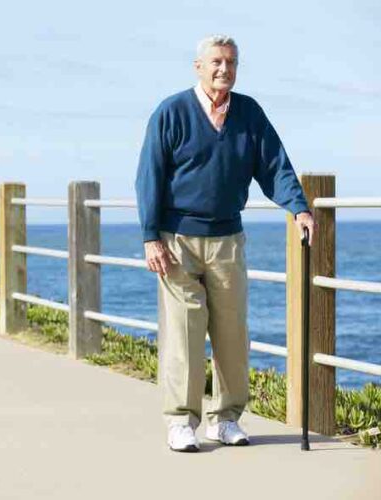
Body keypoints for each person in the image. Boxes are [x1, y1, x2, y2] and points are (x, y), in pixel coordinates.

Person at [135, 35, 317, 452]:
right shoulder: (172, 112)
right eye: (216, 62)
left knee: (233, 332)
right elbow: (149, 176)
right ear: (198, 66)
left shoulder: (249, 113)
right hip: (176, 239)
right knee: (184, 330)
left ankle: (225, 418)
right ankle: (181, 421)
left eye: (231, 63)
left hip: (227, 239)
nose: (224, 70)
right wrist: (150, 236)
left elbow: (275, 165)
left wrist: (299, 208)